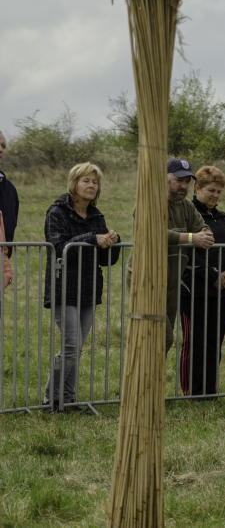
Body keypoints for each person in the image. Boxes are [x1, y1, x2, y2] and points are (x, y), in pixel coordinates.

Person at [42, 163, 121, 413]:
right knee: (70, 346)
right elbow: (58, 247)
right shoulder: (57, 212)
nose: (91, 186)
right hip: (63, 288)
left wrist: (112, 243)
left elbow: (106, 261)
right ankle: (50, 400)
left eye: (95, 182)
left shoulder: (97, 216)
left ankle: (67, 398)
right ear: (73, 183)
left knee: (75, 348)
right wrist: (92, 239)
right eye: (86, 181)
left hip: (89, 289)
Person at [128, 159, 214, 355]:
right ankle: (141, 383)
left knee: (160, 343)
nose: (183, 186)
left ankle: (149, 384)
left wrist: (202, 235)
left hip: (171, 282)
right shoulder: (149, 202)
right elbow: (151, 234)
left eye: (187, 181)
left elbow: (204, 229)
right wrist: (192, 237)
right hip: (145, 281)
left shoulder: (187, 207)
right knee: (161, 338)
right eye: (178, 180)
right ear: (164, 180)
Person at [178, 166, 225, 397]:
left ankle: (210, 389)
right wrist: (213, 275)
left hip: (222, 291)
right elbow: (187, 252)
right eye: (210, 190)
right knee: (195, 342)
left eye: (219, 191)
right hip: (193, 290)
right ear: (197, 189)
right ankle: (192, 391)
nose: (215, 195)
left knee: (214, 342)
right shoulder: (188, 214)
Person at [0, 130, 19, 243]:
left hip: (2, 258)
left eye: (3, 146)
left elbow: (11, 226)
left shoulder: (10, 189)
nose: (0, 150)